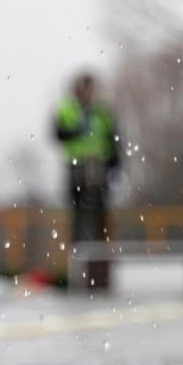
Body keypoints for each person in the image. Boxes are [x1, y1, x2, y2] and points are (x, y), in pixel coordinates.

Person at [53, 73, 120, 242]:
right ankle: (77, 247)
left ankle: (101, 247)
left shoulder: (101, 110)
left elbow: (112, 135)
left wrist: (115, 159)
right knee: (77, 209)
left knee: (100, 208)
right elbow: (58, 134)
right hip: (77, 165)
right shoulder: (67, 109)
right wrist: (76, 131)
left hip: (98, 164)